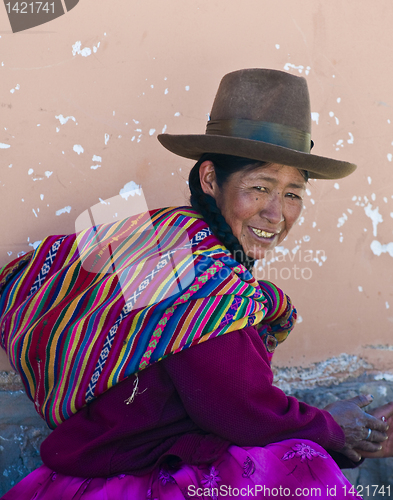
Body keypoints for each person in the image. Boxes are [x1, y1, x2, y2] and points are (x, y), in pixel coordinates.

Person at [0, 69, 392, 500]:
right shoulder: (200, 275)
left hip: (99, 460)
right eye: (260, 188)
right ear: (210, 179)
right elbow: (237, 407)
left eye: (293, 194)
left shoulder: (169, 238)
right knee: (303, 466)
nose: (276, 213)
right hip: (132, 478)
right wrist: (333, 430)